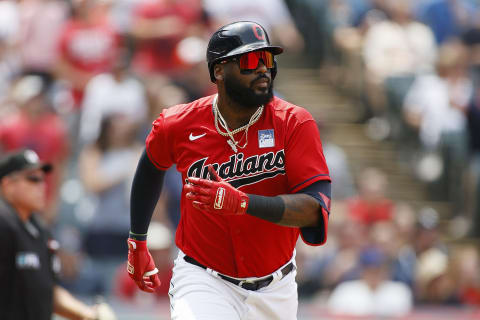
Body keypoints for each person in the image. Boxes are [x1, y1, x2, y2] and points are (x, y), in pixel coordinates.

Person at [126, 21, 332, 319]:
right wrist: (137, 239)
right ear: (219, 70)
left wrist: (243, 204)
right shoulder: (178, 123)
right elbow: (150, 167)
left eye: (268, 59)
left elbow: (314, 208)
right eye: (251, 60)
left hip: (276, 286)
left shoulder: (294, 123)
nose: (264, 69)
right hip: (203, 278)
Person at [0, 149, 116, 320]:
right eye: (33, 179)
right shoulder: (3, 222)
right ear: (7, 185)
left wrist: (89, 314)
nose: (42, 186)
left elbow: (47, 290)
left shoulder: (39, 229)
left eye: (43, 179)